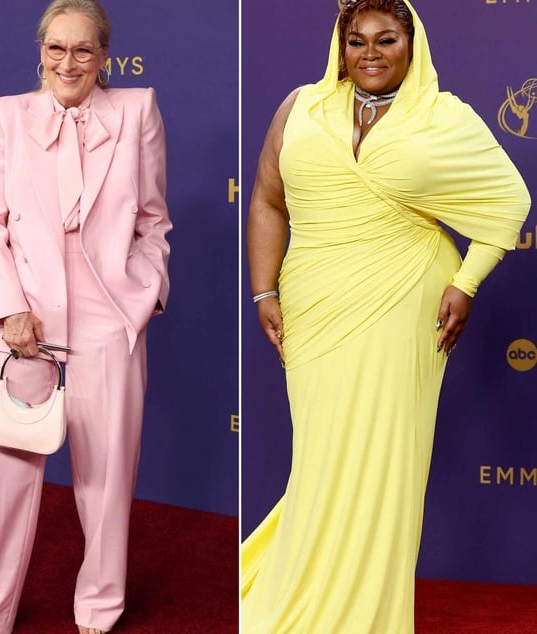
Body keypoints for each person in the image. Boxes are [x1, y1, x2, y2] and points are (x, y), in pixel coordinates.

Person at [241, 0, 530, 631]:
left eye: (387, 39)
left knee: (385, 467)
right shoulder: (300, 109)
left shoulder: (443, 116)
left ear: (412, 44)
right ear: (339, 49)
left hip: (404, 306)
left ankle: (366, 617)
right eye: (356, 40)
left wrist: (467, 281)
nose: (370, 52)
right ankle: (294, 600)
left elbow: (510, 201)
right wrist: (264, 292)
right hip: (315, 305)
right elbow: (267, 200)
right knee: (321, 457)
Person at [0, 1, 171, 633]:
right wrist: (9, 308)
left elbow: (153, 221)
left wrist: (143, 296)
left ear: (104, 56)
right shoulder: (7, 116)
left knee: (105, 478)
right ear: (40, 52)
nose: (69, 62)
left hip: (108, 321)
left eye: (84, 50)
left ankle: (99, 606)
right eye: (56, 49)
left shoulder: (136, 111)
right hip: (24, 326)